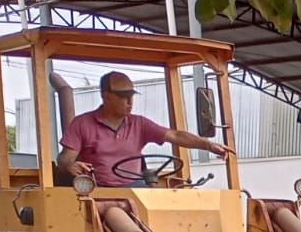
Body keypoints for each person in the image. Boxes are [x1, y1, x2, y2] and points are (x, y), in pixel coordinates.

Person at [57, 71, 231, 188]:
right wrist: (70, 165)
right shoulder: (82, 124)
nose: (130, 102)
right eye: (123, 97)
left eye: (131, 97)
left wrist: (208, 145)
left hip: (137, 188)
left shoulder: (139, 124)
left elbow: (175, 135)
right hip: (100, 192)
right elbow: (65, 159)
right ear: (106, 96)